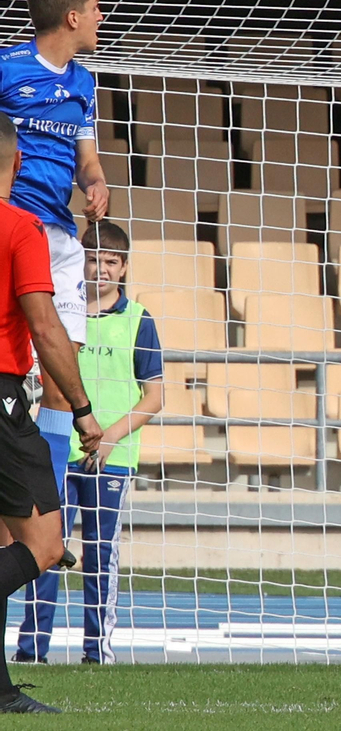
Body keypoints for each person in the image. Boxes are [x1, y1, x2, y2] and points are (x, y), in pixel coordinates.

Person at [15, 220, 161, 666]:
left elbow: (155, 396)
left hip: (109, 460)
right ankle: (31, 649)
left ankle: (98, 652)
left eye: (111, 262)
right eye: (93, 260)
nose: (101, 269)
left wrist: (110, 438)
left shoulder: (138, 320)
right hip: (57, 452)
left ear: (124, 267)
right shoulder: (56, 315)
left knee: (101, 555)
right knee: (45, 550)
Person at [0, 0, 112, 512]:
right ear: (71, 16)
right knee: (18, 364)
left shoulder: (84, 82)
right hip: (16, 230)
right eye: (95, 7)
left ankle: (43, 508)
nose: (101, 17)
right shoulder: (7, 69)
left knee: (64, 378)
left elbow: (87, 161)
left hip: (63, 237)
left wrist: (96, 184)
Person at [0, 118, 103, 711]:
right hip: (3, 400)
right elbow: (45, 325)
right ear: (19, 165)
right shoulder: (22, 227)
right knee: (42, 546)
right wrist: (82, 410)